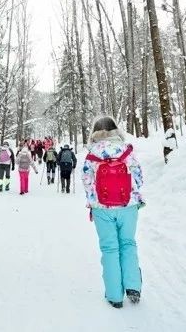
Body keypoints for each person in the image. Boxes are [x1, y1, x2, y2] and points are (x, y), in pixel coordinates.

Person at [82, 116, 143, 309]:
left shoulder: (93, 153)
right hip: (128, 206)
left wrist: (95, 201)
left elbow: (87, 181)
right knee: (128, 244)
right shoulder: (126, 150)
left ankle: (115, 295)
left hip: (102, 208)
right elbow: (139, 178)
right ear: (116, 129)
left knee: (109, 249)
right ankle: (133, 286)